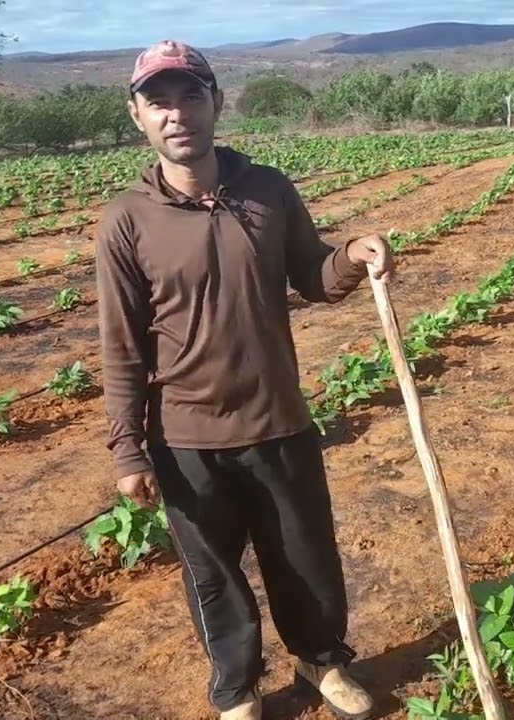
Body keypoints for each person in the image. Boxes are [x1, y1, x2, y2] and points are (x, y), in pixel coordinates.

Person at [94, 39, 394, 720]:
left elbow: (312, 274)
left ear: (216, 102)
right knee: (214, 577)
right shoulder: (127, 221)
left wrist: (352, 254)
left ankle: (321, 660)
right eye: (158, 101)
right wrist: (128, 447)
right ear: (137, 114)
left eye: (190, 96)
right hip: (186, 438)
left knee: (306, 557)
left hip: (279, 420)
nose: (176, 114)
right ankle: (236, 688)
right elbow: (120, 346)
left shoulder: (268, 190)